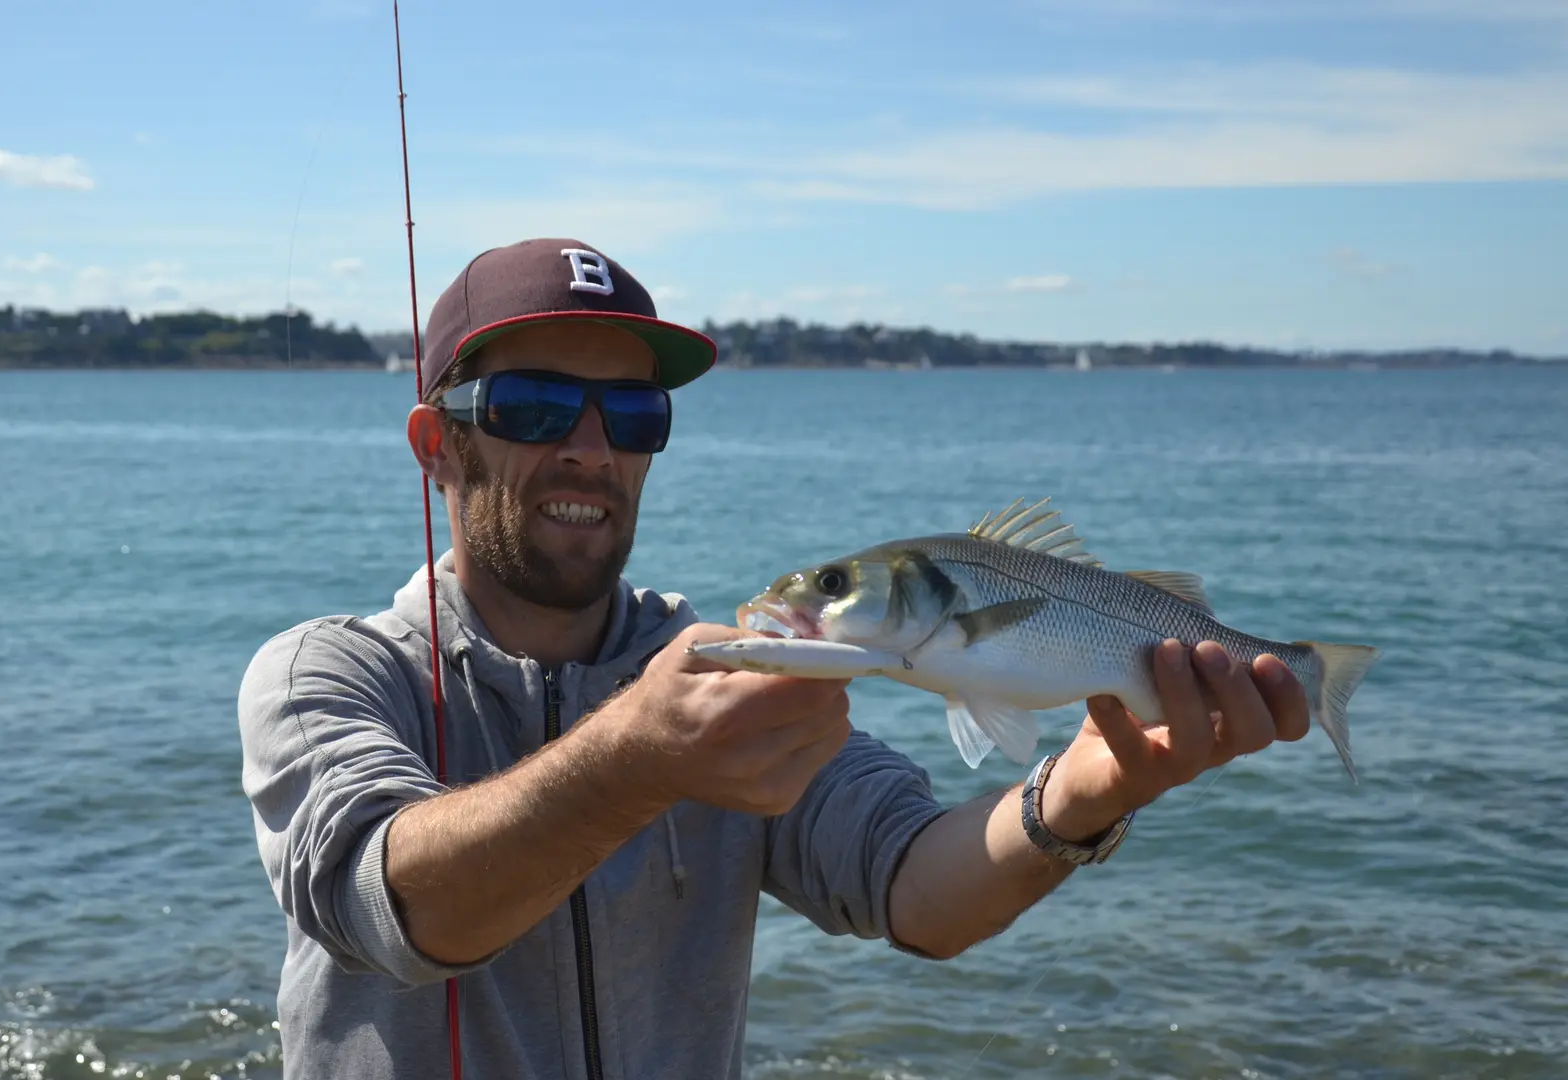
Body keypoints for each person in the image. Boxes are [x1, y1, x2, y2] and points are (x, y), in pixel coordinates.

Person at [236, 237, 1311, 1079]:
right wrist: (633, 764)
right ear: (439, 448)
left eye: (635, 414)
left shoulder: (727, 683)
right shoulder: (327, 677)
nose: (591, 448)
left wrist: (1087, 787)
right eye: (534, 406)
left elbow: (916, 892)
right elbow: (397, 908)